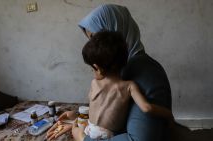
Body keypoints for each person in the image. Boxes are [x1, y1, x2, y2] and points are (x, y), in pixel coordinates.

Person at [46, 4, 172, 141]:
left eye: (96, 38)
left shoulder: (146, 73)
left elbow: (138, 139)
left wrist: (83, 138)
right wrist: (79, 118)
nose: (95, 47)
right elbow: (115, 114)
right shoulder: (121, 69)